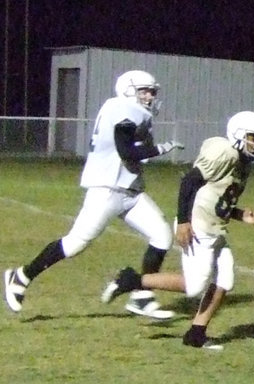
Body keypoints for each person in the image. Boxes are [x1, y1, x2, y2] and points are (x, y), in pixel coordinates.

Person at [4, 70, 184, 318]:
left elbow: (133, 149)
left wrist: (152, 148)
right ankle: (21, 276)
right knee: (76, 242)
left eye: (152, 91)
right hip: (107, 188)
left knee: (162, 236)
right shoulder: (124, 109)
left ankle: (142, 296)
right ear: (128, 90)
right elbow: (127, 152)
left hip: (129, 190)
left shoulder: (129, 111)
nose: (150, 96)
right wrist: (162, 149)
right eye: (145, 91)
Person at [99, 111, 254, 351]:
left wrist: (240, 214)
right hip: (198, 226)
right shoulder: (224, 153)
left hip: (215, 226)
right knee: (194, 286)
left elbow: (217, 199)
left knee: (225, 279)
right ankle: (131, 279)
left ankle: (196, 333)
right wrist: (183, 221)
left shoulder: (242, 163)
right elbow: (189, 182)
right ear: (239, 134)